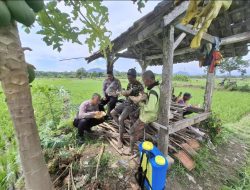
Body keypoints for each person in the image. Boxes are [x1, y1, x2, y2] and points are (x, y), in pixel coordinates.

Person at [124, 70, 160, 155]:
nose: (144, 83)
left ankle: (131, 151)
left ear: (148, 80)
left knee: (132, 130)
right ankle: (139, 135)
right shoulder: (155, 88)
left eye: (144, 81)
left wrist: (140, 103)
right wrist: (144, 96)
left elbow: (150, 108)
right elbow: (149, 98)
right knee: (133, 115)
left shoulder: (153, 91)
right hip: (150, 113)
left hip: (148, 115)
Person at [111, 68, 144, 148]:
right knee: (112, 113)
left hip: (133, 105)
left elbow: (128, 93)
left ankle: (120, 139)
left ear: (135, 77)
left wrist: (118, 92)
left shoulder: (139, 86)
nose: (129, 80)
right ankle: (122, 128)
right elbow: (127, 94)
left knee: (120, 118)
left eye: (130, 78)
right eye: (128, 78)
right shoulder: (130, 84)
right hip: (126, 102)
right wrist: (122, 92)